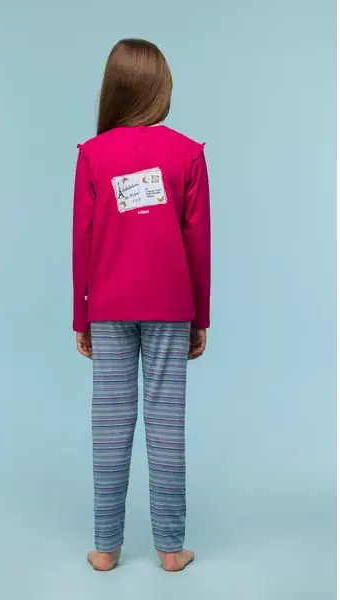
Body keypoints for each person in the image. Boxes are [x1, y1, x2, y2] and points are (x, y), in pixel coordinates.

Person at [72, 38, 211, 572]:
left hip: (108, 306)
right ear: (160, 87)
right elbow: (198, 242)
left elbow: (82, 239)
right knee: (166, 424)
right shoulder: (187, 153)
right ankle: (171, 550)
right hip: (171, 307)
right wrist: (200, 317)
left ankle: (106, 548)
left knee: (110, 425)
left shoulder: (93, 155)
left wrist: (81, 315)